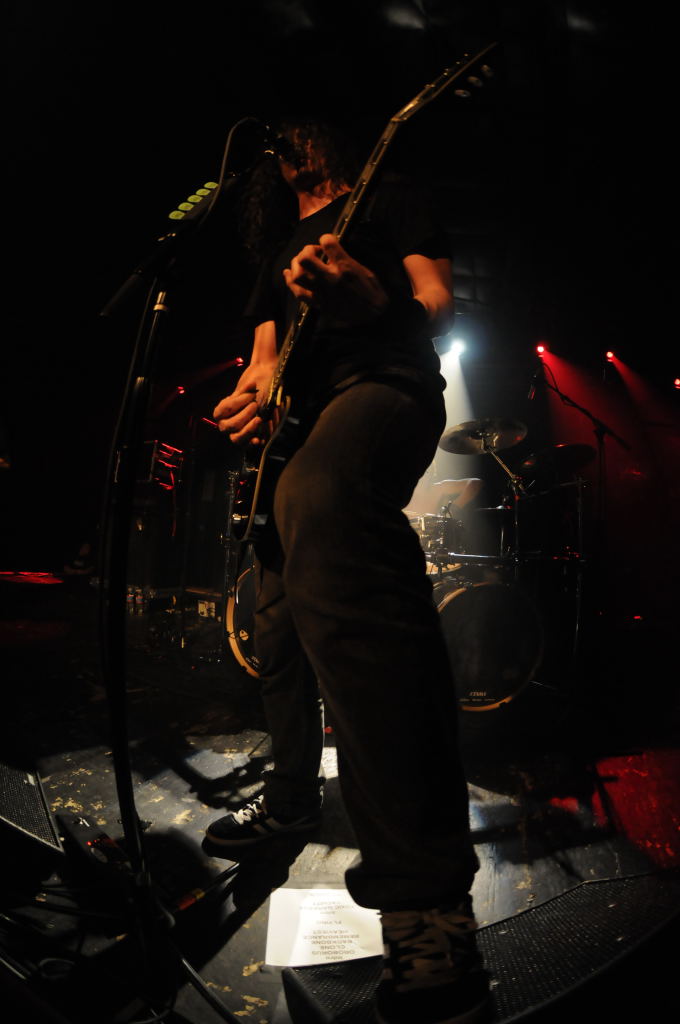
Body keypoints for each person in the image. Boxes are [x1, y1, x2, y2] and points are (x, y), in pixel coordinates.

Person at [206, 118, 489, 1024]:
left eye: (300, 125)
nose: (287, 141)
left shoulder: (386, 197)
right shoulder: (273, 251)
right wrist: (252, 394)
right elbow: (264, 361)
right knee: (276, 613)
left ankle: (429, 911)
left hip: (385, 384)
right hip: (300, 419)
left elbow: (437, 304)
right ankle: (291, 799)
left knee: (324, 506)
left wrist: (376, 301)